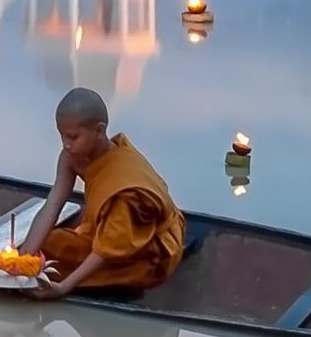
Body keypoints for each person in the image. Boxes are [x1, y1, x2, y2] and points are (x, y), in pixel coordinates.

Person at [13, 88, 184, 298]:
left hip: (146, 255)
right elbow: (53, 205)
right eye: (62, 136)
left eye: (73, 137)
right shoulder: (71, 157)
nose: (66, 144)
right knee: (40, 246)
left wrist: (63, 288)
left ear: (100, 131)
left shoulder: (126, 190)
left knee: (51, 258)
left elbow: (107, 250)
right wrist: (22, 260)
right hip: (111, 235)